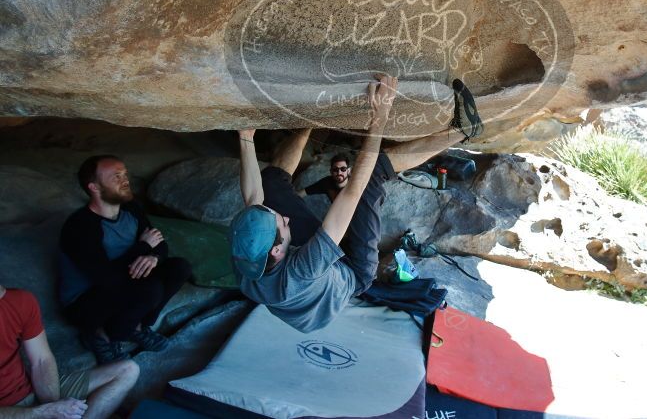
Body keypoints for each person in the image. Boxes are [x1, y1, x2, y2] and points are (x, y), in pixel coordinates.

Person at [230, 76, 481, 332]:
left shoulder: (247, 258)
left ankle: (308, 123)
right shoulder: (303, 269)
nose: (286, 218)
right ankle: (462, 130)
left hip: (303, 284)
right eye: (282, 223)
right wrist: (380, 116)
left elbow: (253, 198)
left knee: (270, 183)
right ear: (276, 251)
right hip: (352, 271)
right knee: (372, 175)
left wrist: (245, 137)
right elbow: (353, 190)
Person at [59, 156, 193, 365]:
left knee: (179, 268)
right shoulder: (80, 226)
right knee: (150, 289)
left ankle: (137, 326)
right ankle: (101, 335)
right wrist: (142, 248)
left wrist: (153, 257)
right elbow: (104, 277)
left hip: (125, 279)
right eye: (116, 177)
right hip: (86, 301)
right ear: (94, 187)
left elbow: (158, 244)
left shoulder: (130, 209)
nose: (125, 180)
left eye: (125, 174)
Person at [0, 285, 139, 419]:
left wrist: (55, 407)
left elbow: (42, 360)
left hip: (31, 392)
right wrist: (42, 412)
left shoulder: (18, 300)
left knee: (128, 370)